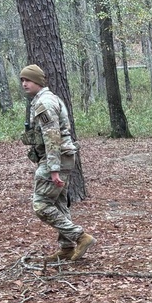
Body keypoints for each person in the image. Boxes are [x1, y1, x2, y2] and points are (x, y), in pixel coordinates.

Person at [19, 65, 95, 262]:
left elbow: (52, 137)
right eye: (22, 80)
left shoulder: (44, 103)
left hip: (56, 159)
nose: (24, 83)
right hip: (62, 157)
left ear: (39, 81)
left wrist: (53, 169)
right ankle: (67, 247)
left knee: (41, 205)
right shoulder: (46, 99)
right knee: (59, 203)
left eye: (28, 79)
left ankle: (80, 236)